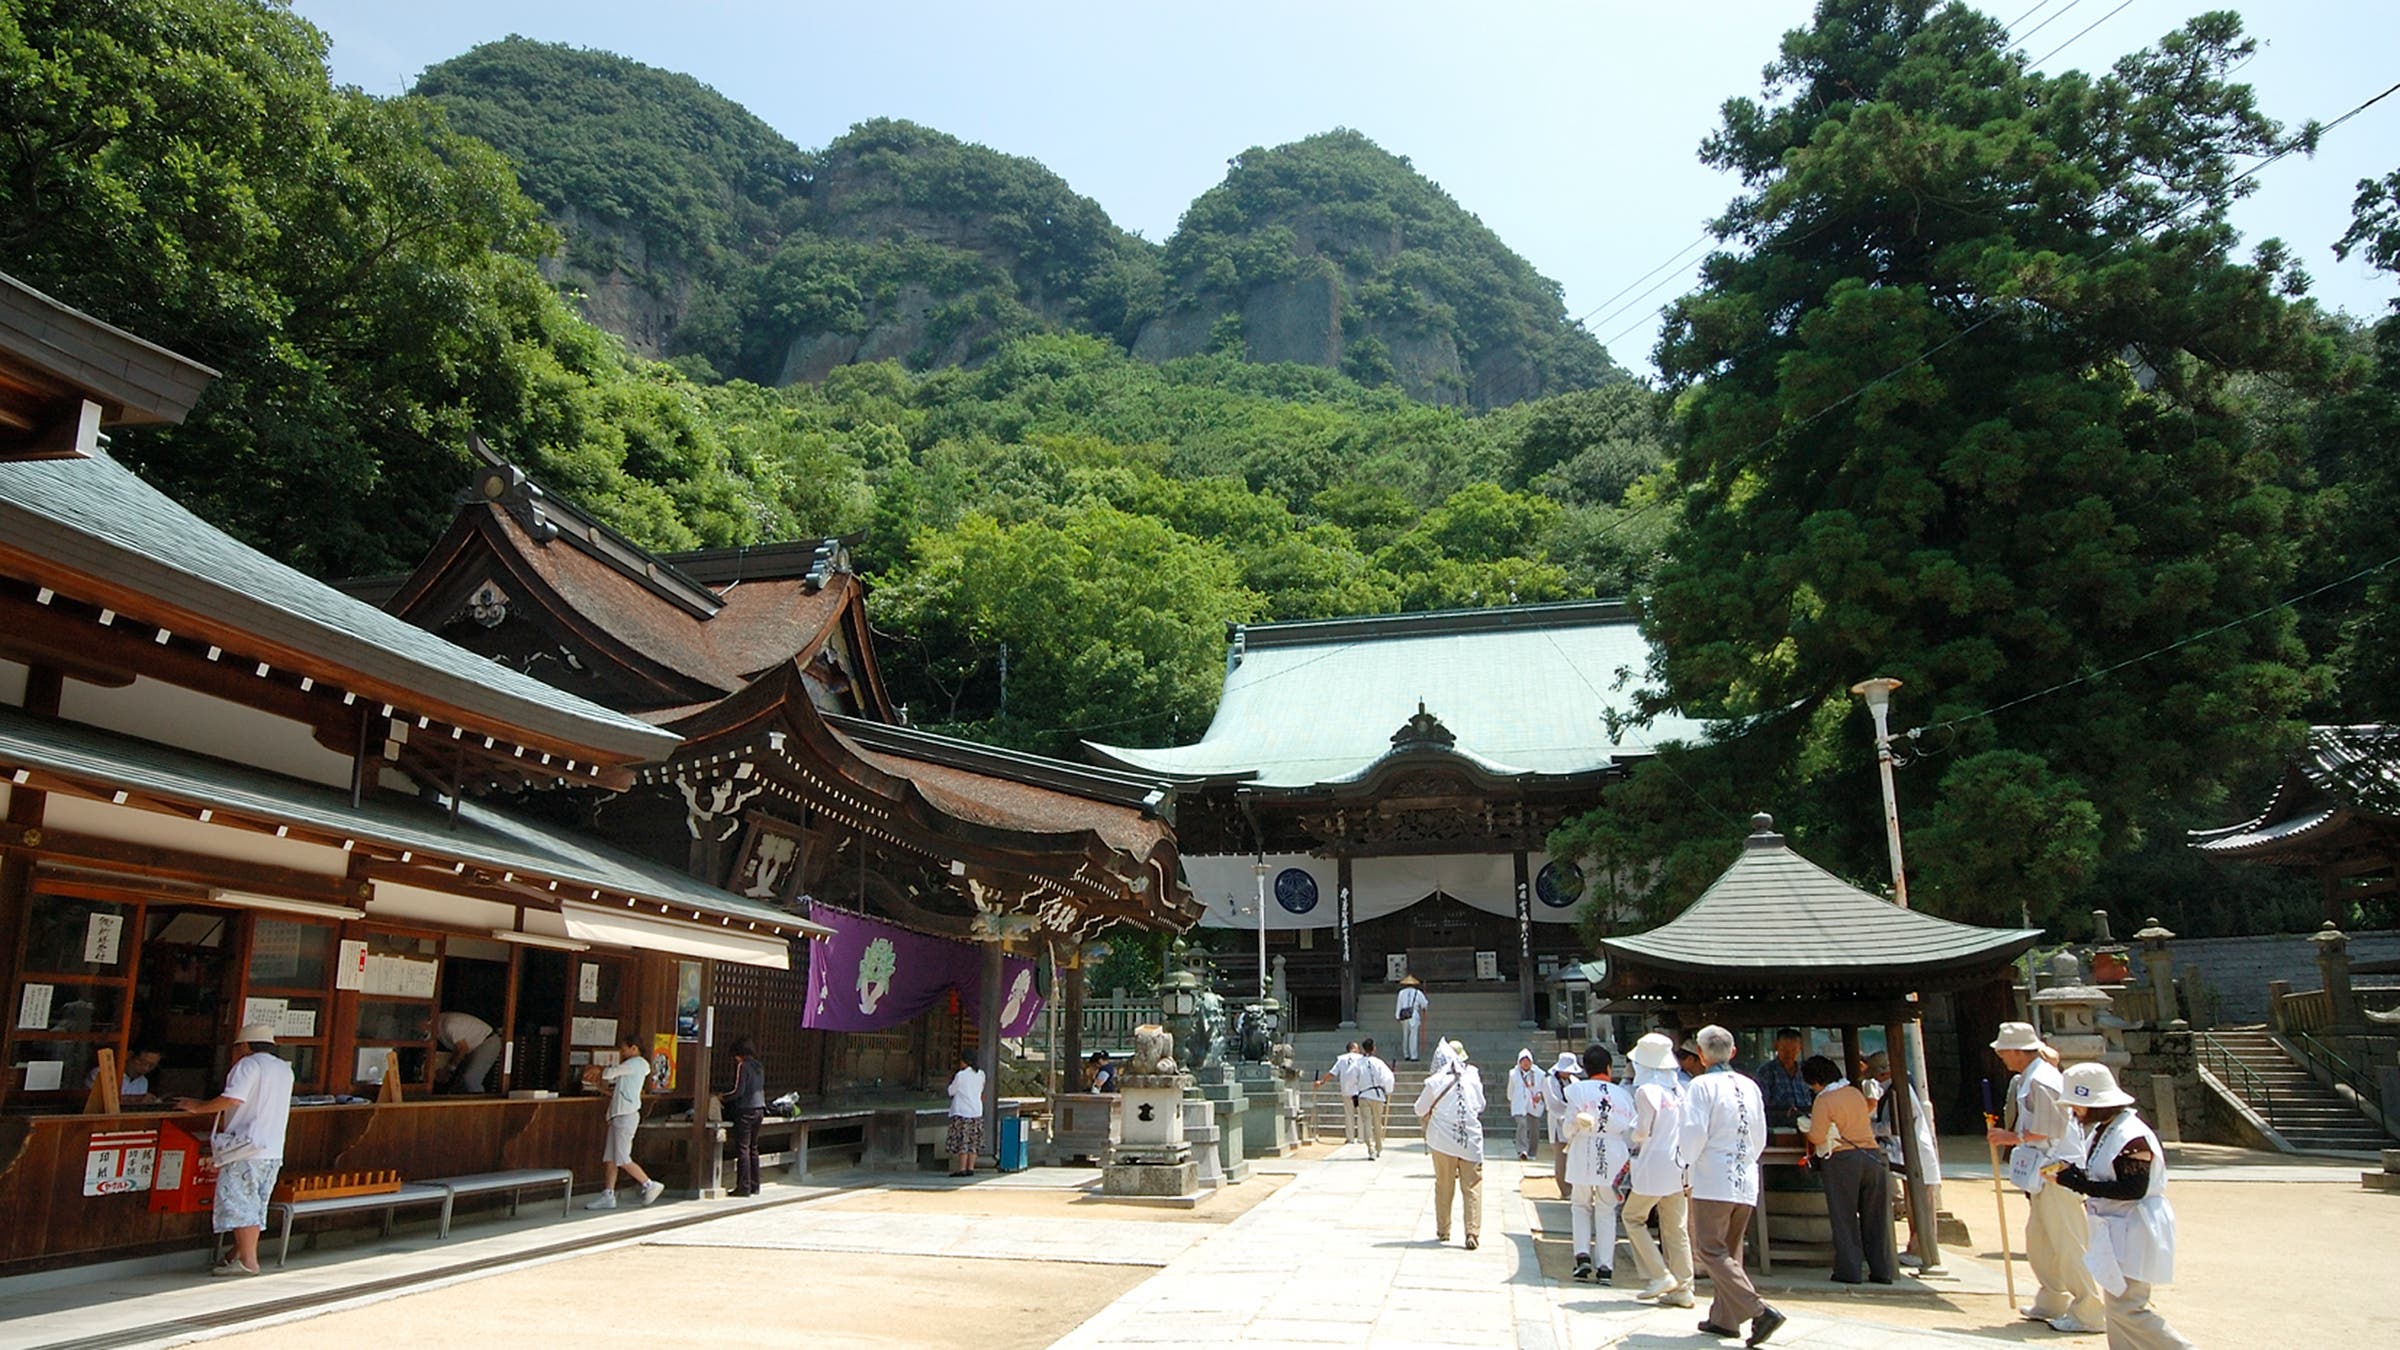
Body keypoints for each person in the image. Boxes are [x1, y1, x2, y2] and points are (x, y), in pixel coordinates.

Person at [2050, 1063, 2195, 1350]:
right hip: (2114, 1224)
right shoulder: (2105, 1129)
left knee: (2127, 1307)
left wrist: (2079, 1183)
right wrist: (2076, 1176)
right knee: (2116, 1303)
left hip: (2134, 1224)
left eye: (2078, 1105)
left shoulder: (2130, 1134)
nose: (2074, 1112)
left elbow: (2133, 1188)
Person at [1987, 1022, 2106, 1333]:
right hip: (2043, 1168)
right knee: (2040, 1239)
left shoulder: (2043, 1079)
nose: (2001, 1056)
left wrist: (2010, 1137)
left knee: (2068, 1240)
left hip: (2058, 1168)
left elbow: (2049, 1129)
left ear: (2016, 1051)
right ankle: (2053, 1297)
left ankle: (2089, 1310)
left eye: (2003, 1051)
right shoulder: (2031, 1078)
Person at [1678, 1024, 1782, 1346]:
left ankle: (1758, 1309)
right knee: (1730, 1252)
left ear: (1700, 1054)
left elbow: (1694, 1131)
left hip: (1713, 1177)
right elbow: (1760, 1134)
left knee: (1709, 1248)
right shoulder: (1750, 1086)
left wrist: (1684, 1161)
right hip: (1746, 1176)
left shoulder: (1700, 1086)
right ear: (1733, 1052)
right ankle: (1724, 1318)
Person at [171, 1025, 293, 1277]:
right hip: (271, 1148)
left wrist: (199, 1107)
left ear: (245, 1046)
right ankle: (235, 1255)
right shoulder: (283, 1069)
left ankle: (249, 1262)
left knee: (240, 1203)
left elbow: (233, 1099)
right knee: (256, 1204)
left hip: (244, 1148)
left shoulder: (249, 1065)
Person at [1800, 1054, 1894, 1285]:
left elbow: (1817, 1135)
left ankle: (1849, 1270)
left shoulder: (1824, 1099)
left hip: (1843, 1159)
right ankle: (1882, 1270)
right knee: (1875, 1218)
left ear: (1816, 1080)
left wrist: (1804, 1127)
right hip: (1872, 1156)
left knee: (1844, 1217)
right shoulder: (1854, 1092)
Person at [1623, 1031, 1695, 1307]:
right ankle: (1684, 1287)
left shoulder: (1646, 1091)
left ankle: (1659, 1273)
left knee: (1633, 1217)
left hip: (1654, 1162)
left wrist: (1630, 1129)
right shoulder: (1679, 1089)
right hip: (1678, 1162)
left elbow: (1641, 1131)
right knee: (1676, 1227)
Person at [1562, 1043, 1634, 1282]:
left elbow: (1568, 1125)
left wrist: (1574, 1130)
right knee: (1606, 1208)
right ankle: (1605, 1266)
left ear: (1584, 1067)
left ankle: (1582, 1257)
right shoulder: (1623, 1095)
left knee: (1580, 1205)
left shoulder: (1577, 1090)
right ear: (1609, 1068)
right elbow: (1629, 1131)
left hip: (1584, 1147)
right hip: (1613, 1151)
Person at [1864, 1049, 1942, 1267]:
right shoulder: (1893, 1090)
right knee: (1912, 1203)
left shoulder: (1898, 1091)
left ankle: (1921, 1250)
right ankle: (1915, 1248)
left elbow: (1892, 1126)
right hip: (1906, 1153)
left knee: (1921, 1206)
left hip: (1916, 1152)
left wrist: (1866, 1127)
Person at [1414, 1040, 1486, 1249]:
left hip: (1443, 1141)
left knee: (1444, 1185)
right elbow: (1481, 1105)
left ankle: (1444, 1230)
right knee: (1472, 1187)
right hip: (1471, 1140)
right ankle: (1472, 1231)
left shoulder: (1435, 1082)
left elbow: (1419, 1109)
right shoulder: (1472, 1076)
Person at [583, 1034, 666, 1208]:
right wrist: (600, 1088)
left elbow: (609, 1073)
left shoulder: (635, 1063)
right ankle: (609, 1194)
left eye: (624, 1048)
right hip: (620, 1113)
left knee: (621, 1157)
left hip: (625, 1115)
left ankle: (649, 1184)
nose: (622, 1052)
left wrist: (597, 1068)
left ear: (633, 1048)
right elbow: (618, 1090)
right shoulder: (636, 1066)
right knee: (611, 1157)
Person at [722, 1036, 766, 1197]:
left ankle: (743, 1186)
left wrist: (723, 1097)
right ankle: (755, 1185)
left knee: (743, 1148)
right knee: (753, 1148)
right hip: (759, 1108)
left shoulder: (743, 1066)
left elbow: (738, 1091)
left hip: (746, 1110)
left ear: (739, 1054)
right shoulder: (758, 1065)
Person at [1750, 1027, 1813, 1129]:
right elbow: (1759, 1103)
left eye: (1793, 1049)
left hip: (1807, 1123)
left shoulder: (1806, 1070)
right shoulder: (1766, 1071)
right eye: (1784, 1049)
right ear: (1776, 1046)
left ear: (1800, 1048)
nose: (1789, 1054)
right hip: (1778, 1124)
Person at [1347, 1037, 1396, 1158]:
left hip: (1364, 1095)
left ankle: (1371, 1148)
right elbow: (1388, 1077)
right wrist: (1388, 1089)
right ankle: (1378, 1146)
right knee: (1377, 1122)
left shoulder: (1357, 1063)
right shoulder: (1379, 1062)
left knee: (1367, 1122)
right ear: (1373, 1048)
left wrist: (1353, 1091)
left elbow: (1350, 1078)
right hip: (1377, 1095)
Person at [1543, 1050, 1582, 1195]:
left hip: (1575, 1125)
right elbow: (1554, 1104)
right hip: (1558, 1124)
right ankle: (1565, 1190)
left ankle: (1575, 1188)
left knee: (1574, 1158)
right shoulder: (1549, 1081)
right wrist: (1570, 1111)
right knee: (1561, 1159)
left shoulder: (1575, 1081)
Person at [436, 1010, 502, 1094]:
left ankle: (481, 1105)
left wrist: (448, 1069)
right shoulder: (438, 1025)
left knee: (471, 1078)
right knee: (458, 1085)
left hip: (486, 1042)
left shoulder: (449, 1025)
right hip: (473, 1047)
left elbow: (462, 1049)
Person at [947, 1053, 987, 1177]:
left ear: (965, 1062)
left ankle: (962, 1168)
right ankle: (971, 1167)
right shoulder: (981, 1074)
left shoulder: (961, 1075)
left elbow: (951, 1091)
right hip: (976, 1110)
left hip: (962, 1111)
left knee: (963, 1140)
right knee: (973, 1141)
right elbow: (982, 1089)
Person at [1317, 1041, 1362, 1143]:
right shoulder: (1361, 1058)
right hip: (1358, 1090)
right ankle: (1361, 1138)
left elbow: (1333, 1072)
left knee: (1349, 1114)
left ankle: (1350, 1138)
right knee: (1361, 1114)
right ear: (1354, 1049)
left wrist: (1322, 1081)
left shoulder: (1342, 1059)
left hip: (1347, 1090)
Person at [86, 1047, 163, 1102]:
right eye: (142, 1062)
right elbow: (96, 1101)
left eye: (151, 1066)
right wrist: (135, 1099)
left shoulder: (143, 1081)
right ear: (129, 1055)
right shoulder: (102, 1073)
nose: (146, 1068)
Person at [1506, 1048, 1543, 1161]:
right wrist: (1512, 1099)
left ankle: (1532, 1152)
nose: (1526, 1063)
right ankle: (1522, 1150)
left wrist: (1540, 1095)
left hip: (1534, 1104)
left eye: (1528, 1060)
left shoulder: (1539, 1073)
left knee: (1534, 1129)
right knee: (1522, 1124)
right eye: (1523, 1060)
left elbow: (1543, 1088)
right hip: (1519, 1103)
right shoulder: (1513, 1074)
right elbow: (1510, 1089)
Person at [1395, 974, 1429, 1062]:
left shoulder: (1401, 993)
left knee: (1405, 1035)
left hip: (1404, 1015)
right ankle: (1413, 1056)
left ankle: (1406, 1054)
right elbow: (1424, 1005)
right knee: (1413, 1036)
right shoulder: (1418, 993)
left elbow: (1399, 1005)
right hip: (1414, 1015)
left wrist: (1397, 1016)